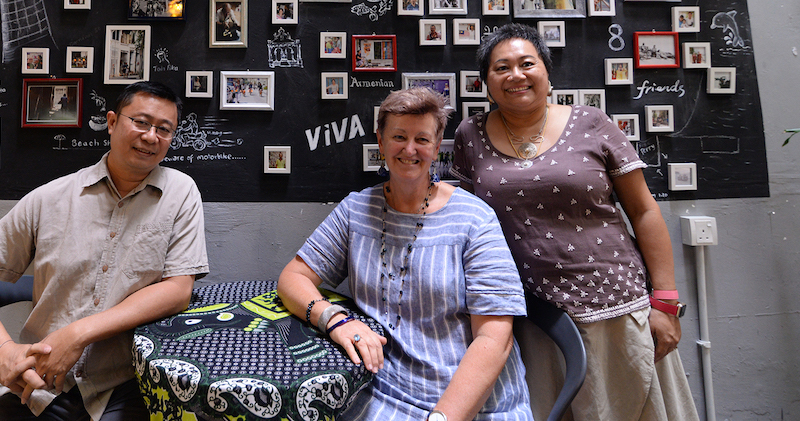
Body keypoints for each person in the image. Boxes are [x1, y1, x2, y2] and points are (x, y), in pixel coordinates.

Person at [450, 23, 699, 421]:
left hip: (616, 308)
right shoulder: (470, 134)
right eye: (501, 68)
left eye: (526, 63)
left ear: (547, 72)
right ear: (485, 83)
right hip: (530, 317)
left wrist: (665, 303)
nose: (516, 75)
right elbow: (467, 219)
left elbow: (644, 210)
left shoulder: (591, 123)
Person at [0, 81, 209, 421]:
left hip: (128, 383)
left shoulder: (180, 192)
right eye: (141, 122)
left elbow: (177, 289)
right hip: (42, 384)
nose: (151, 136)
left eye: (164, 129)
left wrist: (78, 333)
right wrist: (1, 351)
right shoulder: (51, 198)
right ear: (112, 122)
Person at [278, 87, 534, 421]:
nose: (410, 149)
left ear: (437, 145)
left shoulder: (474, 218)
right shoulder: (357, 210)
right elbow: (292, 278)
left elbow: (494, 337)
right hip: (383, 392)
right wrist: (335, 320)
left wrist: (443, 417)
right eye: (399, 136)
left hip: (475, 402)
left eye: (422, 139)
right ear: (380, 143)